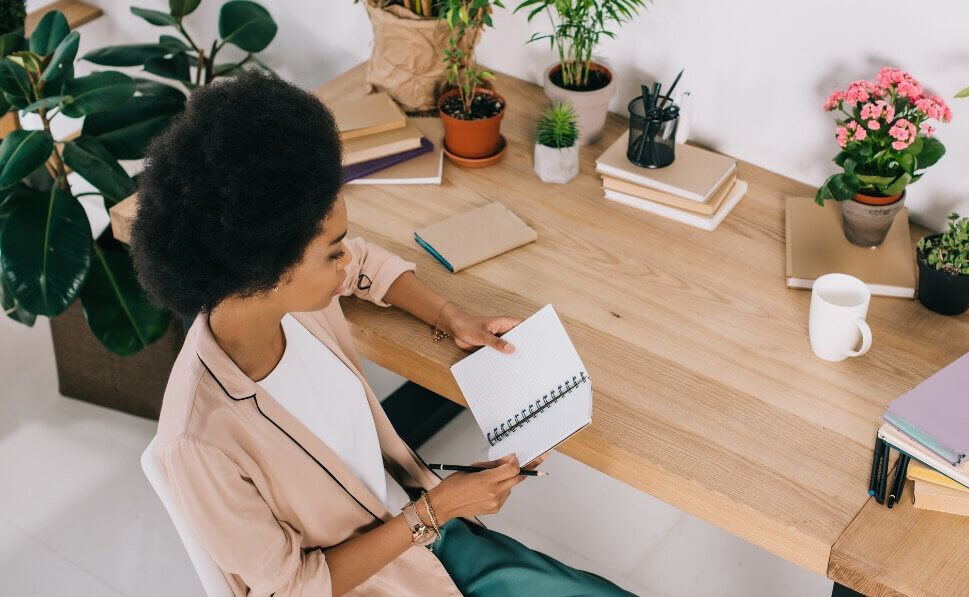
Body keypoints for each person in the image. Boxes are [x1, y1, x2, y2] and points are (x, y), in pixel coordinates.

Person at [130, 71, 633, 597]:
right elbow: (293, 589)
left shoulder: (290, 303)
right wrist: (438, 509)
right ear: (266, 270)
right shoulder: (198, 441)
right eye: (333, 252)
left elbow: (363, 263)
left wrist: (451, 317)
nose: (347, 259)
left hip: (429, 540)